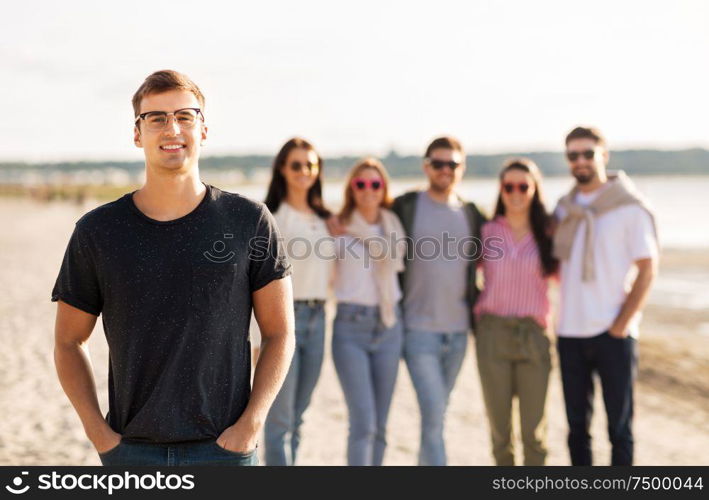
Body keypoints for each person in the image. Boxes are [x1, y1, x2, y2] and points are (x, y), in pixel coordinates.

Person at [52, 70, 295, 466]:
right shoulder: (98, 231)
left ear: (203, 130)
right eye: (157, 118)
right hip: (131, 452)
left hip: (225, 451)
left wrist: (251, 423)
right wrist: (99, 433)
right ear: (137, 133)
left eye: (185, 116)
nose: (172, 128)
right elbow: (67, 342)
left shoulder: (249, 221)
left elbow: (280, 333)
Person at [554, 126, 659, 466]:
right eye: (573, 155)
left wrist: (622, 324)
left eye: (588, 153)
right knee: (576, 428)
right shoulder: (563, 209)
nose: (581, 161)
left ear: (604, 155)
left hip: (613, 332)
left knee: (619, 428)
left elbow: (647, 268)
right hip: (569, 331)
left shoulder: (629, 206)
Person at [391, 136, 486, 466]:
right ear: (426, 166)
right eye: (438, 163)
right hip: (417, 332)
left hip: (458, 334)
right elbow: (367, 218)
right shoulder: (405, 206)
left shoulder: (473, 215)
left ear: (462, 168)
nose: (446, 170)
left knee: (436, 419)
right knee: (434, 415)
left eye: (453, 164)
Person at [474, 158, 557, 465]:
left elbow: (572, 273)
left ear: (535, 189)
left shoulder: (549, 233)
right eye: (509, 186)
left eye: (524, 186)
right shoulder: (487, 231)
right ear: (501, 190)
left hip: (533, 337)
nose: (516, 192)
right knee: (500, 434)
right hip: (492, 335)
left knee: (533, 434)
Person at [262, 138, 336, 465]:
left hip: (319, 318)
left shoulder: (326, 218)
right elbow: (256, 282)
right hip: (282, 320)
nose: (304, 171)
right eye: (296, 165)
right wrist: (257, 339)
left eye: (310, 165)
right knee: (279, 420)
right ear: (282, 168)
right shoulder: (271, 216)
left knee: (299, 415)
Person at [332, 158, 407, 466]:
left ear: (383, 188)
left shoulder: (393, 224)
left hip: (389, 325)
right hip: (350, 328)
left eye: (375, 184)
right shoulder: (337, 226)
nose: (368, 190)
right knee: (363, 423)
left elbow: (397, 262)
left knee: (381, 426)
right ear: (352, 188)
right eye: (360, 184)